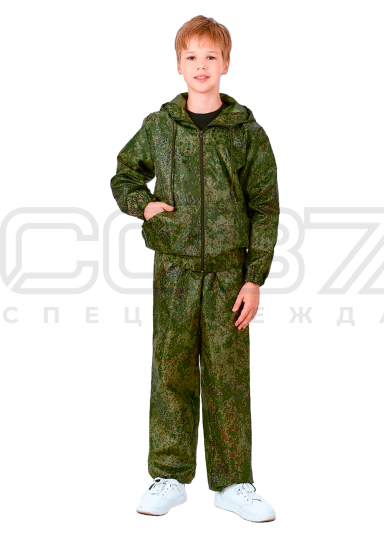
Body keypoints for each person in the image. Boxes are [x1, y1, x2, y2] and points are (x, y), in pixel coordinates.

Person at [110, 15, 280, 523]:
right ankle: (169, 475)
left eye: (211, 57)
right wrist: (144, 206)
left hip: (229, 274)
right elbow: (125, 175)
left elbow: (265, 208)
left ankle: (233, 482)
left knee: (228, 376)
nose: (201, 66)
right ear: (178, 65)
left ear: (226, 64)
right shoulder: (159, 127)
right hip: (175, 271)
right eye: (192, 57)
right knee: (172, 369)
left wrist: (254, 278)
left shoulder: (246, 132)